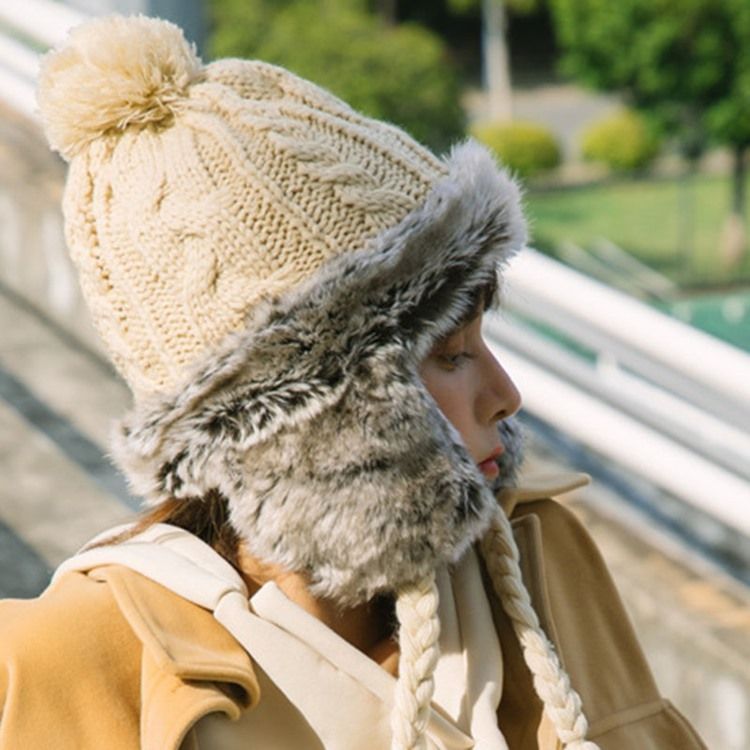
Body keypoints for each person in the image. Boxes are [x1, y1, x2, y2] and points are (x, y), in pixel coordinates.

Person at [0, 14, 706, 750]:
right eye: (450, 355)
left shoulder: (535, 557)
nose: (506, 395)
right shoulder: (66, 662)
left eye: (481, 340)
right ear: (305, 414)